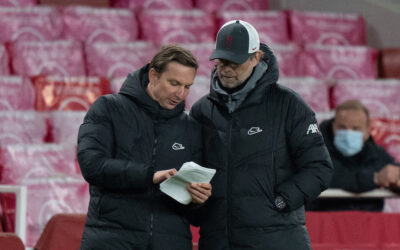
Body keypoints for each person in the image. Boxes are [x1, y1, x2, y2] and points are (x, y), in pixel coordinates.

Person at [190, 20, 334, 250]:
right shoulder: (201, 111)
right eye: (221, 61)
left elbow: (319, 168)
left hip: (278, 239)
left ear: (255, 58)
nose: (226, 69)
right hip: (218, 241)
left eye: (234, 62)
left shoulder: (289, 105)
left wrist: (281, 201)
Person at [77, 45, 212, 250]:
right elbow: (92, 165)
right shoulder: (108, 108)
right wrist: (150, 176)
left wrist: (198, 200)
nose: (180, 93)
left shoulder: (192, 128)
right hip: (112, 241)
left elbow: (196, 216)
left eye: (187, 86)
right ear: (153, 75)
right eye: (174, 83)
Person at [307, 99, 400, 211]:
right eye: (342, 127)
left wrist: (395, 179)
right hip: (322, 223)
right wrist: (375, 178)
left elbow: (393, 171)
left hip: (368, 224)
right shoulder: (313, 151)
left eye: (356, 128)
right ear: (333, 126)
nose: (348, 133)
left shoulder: (375, 153)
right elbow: (328, 177)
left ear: (367, 131)